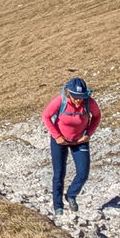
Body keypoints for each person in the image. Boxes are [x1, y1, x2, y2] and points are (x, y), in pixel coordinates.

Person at [41, 77, 101, 216]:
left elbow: (97, 116)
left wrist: (88, 133)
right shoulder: (60, 101)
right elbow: (46, 116)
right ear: (69, 94)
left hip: (80, 140)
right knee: (59, 173)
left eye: (81, 97)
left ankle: (71, 194)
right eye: (75, 97)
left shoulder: (89, 103)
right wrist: (57, 136)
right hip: (60, 140)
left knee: (83, 172)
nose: (78, 100)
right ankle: (58, 207)